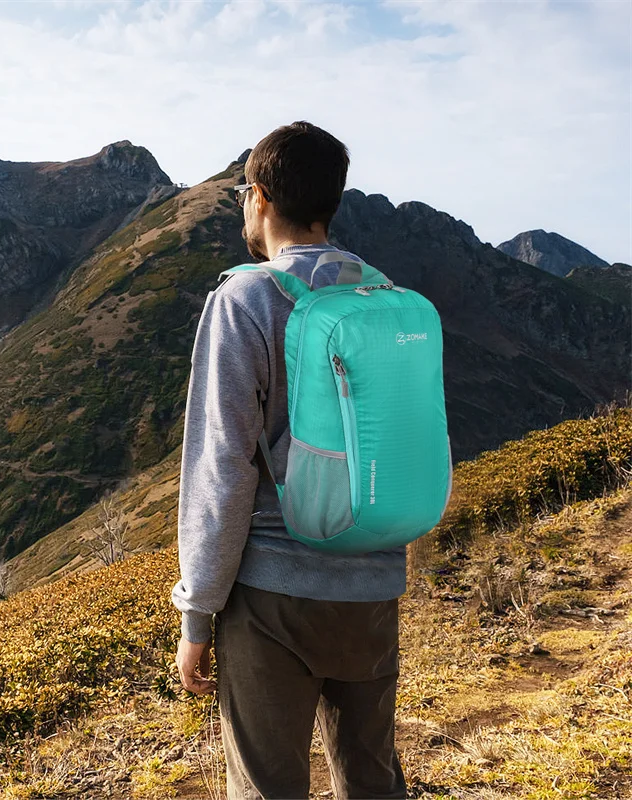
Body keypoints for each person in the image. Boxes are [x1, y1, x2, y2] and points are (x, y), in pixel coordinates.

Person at [171, 121, 407, 800]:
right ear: (328, 203)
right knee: (371, 779)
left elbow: (222, 471)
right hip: (372, 588)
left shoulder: (246, 300)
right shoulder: (383, 301)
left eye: (247, 194)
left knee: (268, 788)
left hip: (275, 597)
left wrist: (197, 615)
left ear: (261, 197)